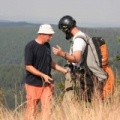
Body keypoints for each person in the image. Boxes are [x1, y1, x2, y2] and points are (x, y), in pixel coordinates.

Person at [52, 15, 114, 102]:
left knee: (85, 102)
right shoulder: (83, 36)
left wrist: (62, 54)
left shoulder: (78, 40)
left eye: (63, 30)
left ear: (66, 28)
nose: (63, 33)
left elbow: (76, 58)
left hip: (85, 75)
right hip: (89, 74)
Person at [24, 24, 68, 120]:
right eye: (49, 35)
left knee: (47, 110)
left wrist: (64, 71)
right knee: (31, 111)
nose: (51, 37)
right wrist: (43, 75)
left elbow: (50, 62)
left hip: (47, 84)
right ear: (42, 34)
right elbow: (28, 66)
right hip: (33, 84)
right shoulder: (30, 46)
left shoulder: (47, 46)